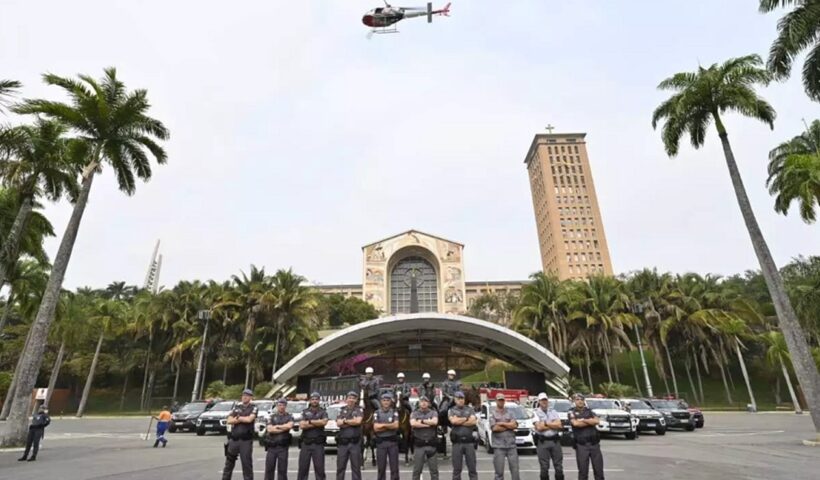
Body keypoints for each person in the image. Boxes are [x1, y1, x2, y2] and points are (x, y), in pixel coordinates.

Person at [222, 389, 259, 480]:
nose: (244, 397)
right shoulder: (236, 407)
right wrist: (241, 419)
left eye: (247, 395)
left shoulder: (253, 408)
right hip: (234, 440)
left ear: (250, 397)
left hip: (245, 441)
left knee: (246, 465)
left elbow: (249, 419)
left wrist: (238, 418)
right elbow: (229, 420)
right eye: (243, 395)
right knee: (228, 465)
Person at [568, 393, 604, 480]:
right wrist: (589, 421)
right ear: (574, 401)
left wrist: (583, 420)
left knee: (599, 472)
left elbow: (596, 421)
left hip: (594, 444)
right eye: (577, 399)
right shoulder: (571, 412)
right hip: (582, 445)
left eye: (581, 399)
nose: (580, 401)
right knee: (583, 472)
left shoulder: (590, 411)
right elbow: (576, 424)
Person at [298, 392, 328, 480]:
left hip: (318, 444)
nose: (314, 401)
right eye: (313, 399)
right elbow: (302, 425)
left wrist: (310, 422)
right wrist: (316, 422)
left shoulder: (323, 412)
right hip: (306, 444)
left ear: (319, 400)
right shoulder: (305, 412)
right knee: (303, 469)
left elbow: (324, 422)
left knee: (320, 470)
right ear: (310, 400)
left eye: (316, 399)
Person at [533, 393, 564, 480]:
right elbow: (539, 427)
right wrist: (552, 424)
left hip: (555, 441)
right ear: (539, 401)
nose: (544, 402)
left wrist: (546, 423)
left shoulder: (553, 411)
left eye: (545, 400)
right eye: (542, 400)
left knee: (559, 467)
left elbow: (559, 425)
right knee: (544, 467)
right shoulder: (535, 412)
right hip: (543, 442)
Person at [448, 392, 478, 480]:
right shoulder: (451, 410)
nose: (461, 400)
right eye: (459, 398)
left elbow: (473, 422)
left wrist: (459, 420)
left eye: (462, 398)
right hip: (457, 443)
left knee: (472, 469)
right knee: (457, 470)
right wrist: (466, 418)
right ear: (455, 399)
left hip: (469, 443)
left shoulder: (470, 409)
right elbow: (453, 421)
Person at [490, 394, 520, 480]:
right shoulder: (492, 414)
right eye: (499, 400)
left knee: (515, 471)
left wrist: (502, 423)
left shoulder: (510, 413)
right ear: (496, 401)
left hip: (511, 446)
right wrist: (508, 425)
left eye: (502, 400)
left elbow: (514, 425)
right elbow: (495, 428)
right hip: (499, 447)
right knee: (499, 473)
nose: (501, 401)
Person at [336, 391, 364, 480]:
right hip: (343, 444)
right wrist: (351, 421)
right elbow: (338, 423)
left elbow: (358, 421)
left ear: (356, 400)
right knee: (340, 467)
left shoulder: (359, 410)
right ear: (346, 399)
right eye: (349, 398)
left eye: (353, 398)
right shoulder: (342, 409)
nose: (351, 400)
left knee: (356, 468)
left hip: (354, 443)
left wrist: (345, 421)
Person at [410, 396, 439, 480]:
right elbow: (413, 424)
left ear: (429, 403)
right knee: (417, 470)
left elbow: (435, 422)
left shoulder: (433, 412)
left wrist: (421, 421)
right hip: (419, 445)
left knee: (434, 471)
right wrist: (428, 423)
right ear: (419, 403)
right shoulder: (414, 413)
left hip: (431, 445)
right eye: (421, 401)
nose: (423, 403)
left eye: (425, 401)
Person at [265, 398, 294, 480]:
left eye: (283, 405)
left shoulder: (289, 416)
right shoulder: (272, 417)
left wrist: (277, 426)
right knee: (269, 470)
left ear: (286, 406)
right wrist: (282, 428)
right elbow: (270, 429)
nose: (281, 407)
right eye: (280, 405)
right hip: (271, 447)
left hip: (283, 448)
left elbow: (289, 426)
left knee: (282, 471)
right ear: (277, 406)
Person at [374, 392, 400, 480]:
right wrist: (389, 426)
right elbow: (376, 428)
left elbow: (396, 426)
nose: (385, 402)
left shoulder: (394, 412)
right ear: (381, 402)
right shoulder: (377, 412)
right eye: (384, 400)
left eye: (387, 400)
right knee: (381, 468)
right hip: (381, 444)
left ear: (390, 402)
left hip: (392, 443)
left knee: (394, 468)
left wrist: (382, 425)